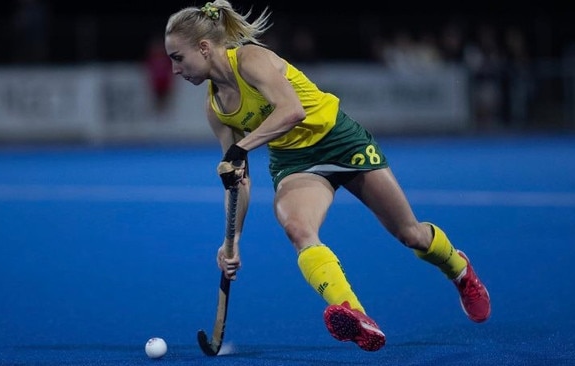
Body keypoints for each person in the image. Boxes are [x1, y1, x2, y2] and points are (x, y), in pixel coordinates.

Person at [165, 1, 491, 352]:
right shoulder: (215, 109)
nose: (174, 69)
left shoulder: (249, 59)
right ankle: (355, 313)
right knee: (298, 229)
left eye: (177, 57)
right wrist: (233, 240)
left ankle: (460, 271)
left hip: (338, 140)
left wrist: (242, 146)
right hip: (294, 162)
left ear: (203, 47)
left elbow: (292, 110)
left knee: (410, 234)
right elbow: (237, 176)